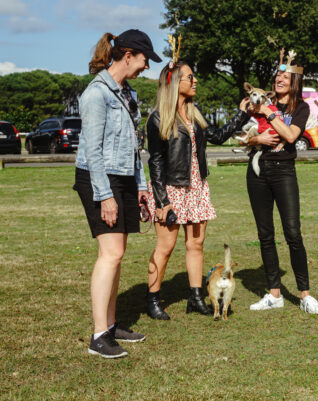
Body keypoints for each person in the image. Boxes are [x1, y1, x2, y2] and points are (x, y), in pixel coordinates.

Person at [74, 29, 161, 358]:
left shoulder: (127, 93)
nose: (146, 67)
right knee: (109, 254)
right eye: (144, 60)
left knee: (118, 253)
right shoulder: (96, 93)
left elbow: (135, 147)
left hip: (123, 177)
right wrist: (105, 195)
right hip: (99, 177)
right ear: (128, 56)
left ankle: (111, 325)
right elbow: (92, 150)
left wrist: (140, 186)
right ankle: (99, 337)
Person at [144, 60, 249, 320]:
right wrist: (162, 201)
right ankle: (153, 299)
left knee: (196, 244)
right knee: (165, 246)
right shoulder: (158, 117)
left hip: (196, 187)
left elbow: (218, 136)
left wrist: (241, 114)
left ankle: (195, 297)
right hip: (170, 189)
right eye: (190, 77)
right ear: (174, 83)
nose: (195, 81)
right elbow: (155, 162)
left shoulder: (195, 111)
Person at [240, 49, 318, 314]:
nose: (279, 79)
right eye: (277, 75)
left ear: (294, 81)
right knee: (265, 235)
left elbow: (290, 136)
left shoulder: (300, 107)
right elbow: (241, 135)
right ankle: (274, 294)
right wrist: (256, 139)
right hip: (258, 172)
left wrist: (268, 112)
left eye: (285, 76)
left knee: (293, 233)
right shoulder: (259, 100)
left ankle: (305, 295)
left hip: (284, 171)